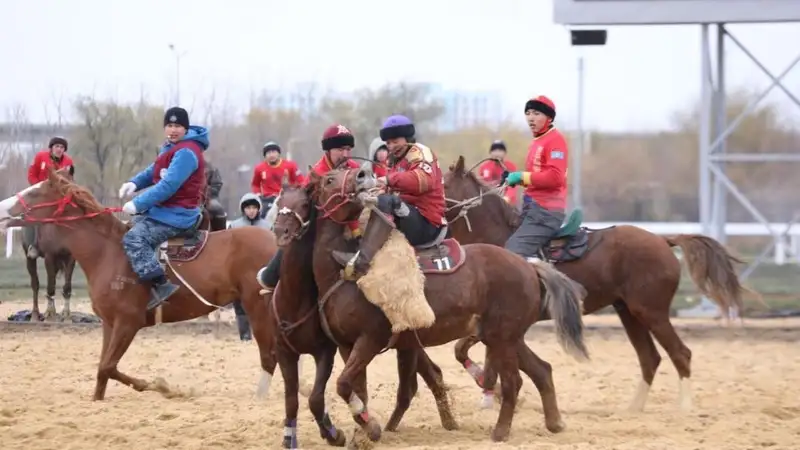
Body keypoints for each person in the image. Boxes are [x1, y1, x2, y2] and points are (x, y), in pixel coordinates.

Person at [330, 115, 447, 276]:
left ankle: (362, 261)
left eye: (395, 141)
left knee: (386, 201)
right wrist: (377, 190)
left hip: (427, 223)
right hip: (408, 215)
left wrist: (387, 180)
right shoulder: (395, 159)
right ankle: (358, 249)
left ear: (407, 137)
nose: (391, 146)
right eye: (388, 143)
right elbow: (393, 189)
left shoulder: (420, 152)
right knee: (372, 205)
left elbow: (423, 180)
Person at [118, 106, 210, 310]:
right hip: (164, 212)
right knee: (126, 228)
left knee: (134, 238)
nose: (173, 130)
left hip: (178, 215)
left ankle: (161, 285)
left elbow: (168, 185)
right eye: (169, 125)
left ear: (186, 128)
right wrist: (134, 183)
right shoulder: (171, 146)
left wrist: (137, 204)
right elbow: (155, 170)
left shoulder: (187, 152)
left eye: (178, 126)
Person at [256, 124, 361, 294]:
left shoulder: (354, 168)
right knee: (295, 242)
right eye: (340, 149)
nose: (345, 154)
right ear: (328, 150)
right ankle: (272, 275)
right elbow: (303, 201)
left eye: (348, 149)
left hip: (352, 220)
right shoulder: (318, 173)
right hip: (320, 223)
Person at [502, 95, 568, 262]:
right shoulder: (537, 141)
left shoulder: (555, 140)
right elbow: (537, 177)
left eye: (536, 113)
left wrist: (521, 176)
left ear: (549, 118)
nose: (530, 118)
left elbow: (555, 177)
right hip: (531, 208)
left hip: (545, 212)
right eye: (528, 113)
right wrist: (516, 179)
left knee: (510, 256)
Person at [228, 193, 270, 340]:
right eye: (248, 208)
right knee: (240, 304)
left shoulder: (267, 226)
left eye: (254, 207)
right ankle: (245, 336)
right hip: (241, 271)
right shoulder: (234, 226)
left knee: (263, 305)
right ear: (243, 209)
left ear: (259, 209)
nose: (251, 211)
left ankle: (264, 334)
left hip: (262, 271)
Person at [25, 136, 75, 259]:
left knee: (74, 210)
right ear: (51, 148)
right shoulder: (41, 157)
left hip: (59, 196)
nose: (59, 149)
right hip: (40, 194)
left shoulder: (68, 162)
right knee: (30, 214)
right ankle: (33, 245)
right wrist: (39, 188)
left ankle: (73, 244)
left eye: (62, 147)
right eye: (57, 146)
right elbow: (31, 174)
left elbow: (70, 180)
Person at [251, 141, 304, 219]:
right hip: (269, 199)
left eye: (273, 152)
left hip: (287, 198)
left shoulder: (290, 165)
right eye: (268, 153)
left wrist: (296, 193)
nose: (271, 155)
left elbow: (301, 181)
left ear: (278, 153)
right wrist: (258, 194)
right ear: (265, 155)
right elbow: (255, 184)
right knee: (259, 216)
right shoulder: (259, 168)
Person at [477, 139, 519, 205]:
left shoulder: (510, 166)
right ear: (490, 153)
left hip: (507, 202)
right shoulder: (484, 167)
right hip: (488, 201)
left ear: (505, 153)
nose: (497, 153)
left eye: (500, 150)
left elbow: (512, 186)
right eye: (494, 150)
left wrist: (507, 198)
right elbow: (481, 185)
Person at [204, 156, 227, 231]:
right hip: (186, 197)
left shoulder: (209, 167)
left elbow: (217, 184)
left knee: (216, 207)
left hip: (207, 197)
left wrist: (204, 192)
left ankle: (221, 233)